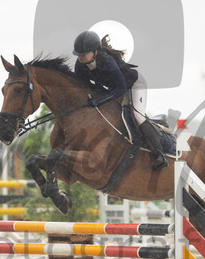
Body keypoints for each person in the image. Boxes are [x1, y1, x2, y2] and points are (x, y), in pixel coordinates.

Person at [72, 30, 168, 170]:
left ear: (95, 52)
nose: (80, 57)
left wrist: (100, 101)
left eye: (84, 53)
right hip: (114, 88)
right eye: (78, 54)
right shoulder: (80, 65)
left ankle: (159, 154)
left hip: (134, 85)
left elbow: (121, 88)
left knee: (137, 115)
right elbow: (85, 86)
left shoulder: (105, 60)